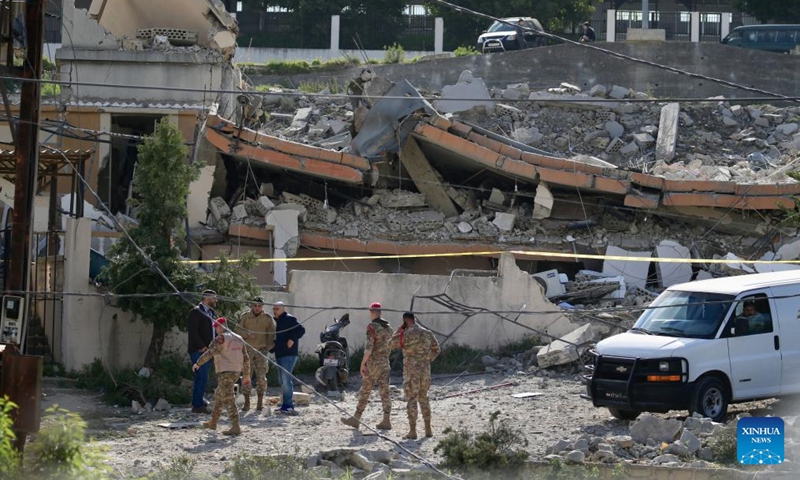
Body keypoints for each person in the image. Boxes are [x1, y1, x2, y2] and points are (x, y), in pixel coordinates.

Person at [192, 317, 251, 435]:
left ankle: (235, 426)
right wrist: (246, 374)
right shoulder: (239, 338)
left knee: (228, 397)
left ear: (221, 326)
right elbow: (246, 358)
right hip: (236, 371)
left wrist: (198, 363)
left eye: (216, 327)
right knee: (219, 395)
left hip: (225, 371)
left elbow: (210, 352)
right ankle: (213, 422)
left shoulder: (221, 338)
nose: (216, 330)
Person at [341, 302, 394, 430]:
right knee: (385, 392)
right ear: (380, 312)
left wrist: (363, 363)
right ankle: (386, 420)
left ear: (371, 313)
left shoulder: (372, 327)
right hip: (385, 363)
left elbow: (369, 348)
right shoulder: (389, 328)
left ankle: (356, 418)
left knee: (365, 390)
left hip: (373, 363)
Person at [389, 312, 441, 440]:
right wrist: (428, 360)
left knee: (412, 399)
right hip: (425, 371)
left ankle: (413, 431)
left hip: (411, 372)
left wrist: (398, 331)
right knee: (424, 398)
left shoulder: (405, 334)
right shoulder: (428, 333)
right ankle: (428, 429)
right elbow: (437, 349)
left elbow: (390, 344)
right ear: (415, 319)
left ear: (405, 321)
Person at [235, 296, 276, 412]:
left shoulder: (267, 318)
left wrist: (269, 345)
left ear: (262, 306)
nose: (257, 308)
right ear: (251, 306)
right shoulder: (245, 317)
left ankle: (259, 402)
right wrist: (247, 334)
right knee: (247, 376)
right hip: (247, 350)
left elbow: (271, 333)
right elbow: (237, 330)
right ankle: (247, 402)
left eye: (259, 306)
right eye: (255, 306)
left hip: (261, 351)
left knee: (261, 377)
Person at [270, 301, 305, 415]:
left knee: (286, 380)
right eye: (274, 309)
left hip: (289, 354)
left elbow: (301, 330)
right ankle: (285, 404)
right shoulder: (277, 321)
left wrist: (292, 339)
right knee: (282, 380)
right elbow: (280, 338)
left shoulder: (289, 319)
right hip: (280, 354)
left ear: (283, 309)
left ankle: (288, 406)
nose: (275, 311)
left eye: (277, 309)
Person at [187, 289, 218, 414]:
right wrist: (201, 346)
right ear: (207, 298)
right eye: (214, 298)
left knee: (204, 377)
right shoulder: (196, 312)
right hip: (199, 350)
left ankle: (200, 400)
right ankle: (197, 405)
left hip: (209, 350)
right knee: (201, 377)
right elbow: (192, 332)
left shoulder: (211, 313)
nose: (216, 300)